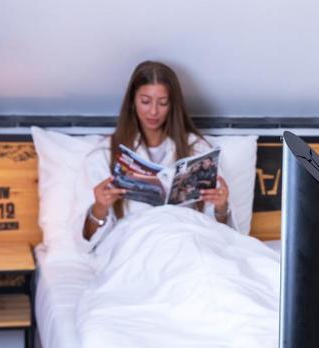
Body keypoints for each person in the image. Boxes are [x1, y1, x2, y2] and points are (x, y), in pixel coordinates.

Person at [79, 60, 234, 252]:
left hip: (187, 242)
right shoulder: (104, 155)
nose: (153, 111)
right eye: (145, 101)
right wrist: (100, 208)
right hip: (136, 247)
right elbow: (86, 242)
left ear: (172, 105)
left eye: (162, 103)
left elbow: (221, 236)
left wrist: (221, 207)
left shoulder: (199, 149)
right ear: (132, 101)